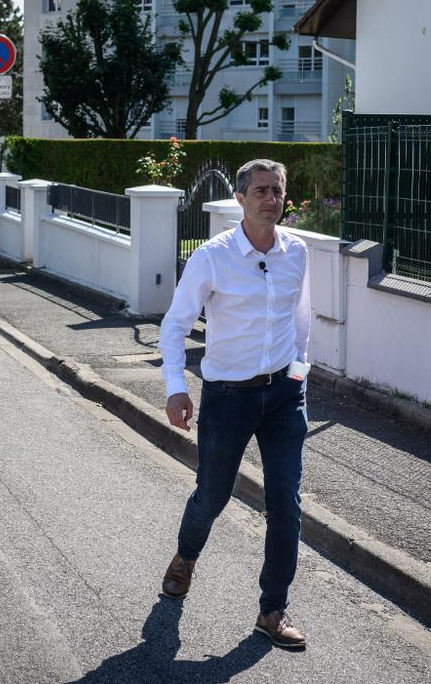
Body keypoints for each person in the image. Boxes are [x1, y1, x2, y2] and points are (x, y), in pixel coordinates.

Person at [156, 159, 312, 651]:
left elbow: (303, 316)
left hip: (285, 395)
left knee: (286, 502)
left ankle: (272, 609)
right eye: (261, 190)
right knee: (213, 495)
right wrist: (175, 387)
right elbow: (175, 324)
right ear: (241, 199)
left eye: (278, 190)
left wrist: (300, 371)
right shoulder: (213, 256)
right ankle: (185, 557)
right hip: (228, 396)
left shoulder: (297, 252)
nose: (271, 198)